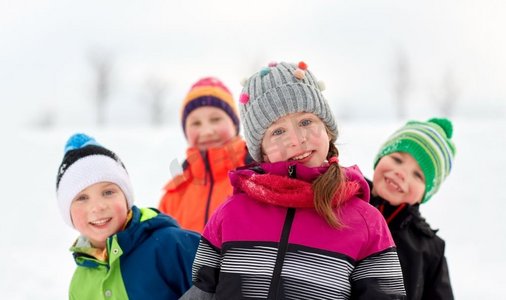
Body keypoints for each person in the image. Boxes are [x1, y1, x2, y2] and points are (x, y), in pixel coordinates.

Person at [182, 61, 407, 299]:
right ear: (262, 151)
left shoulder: (367, 222)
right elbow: (202, 292)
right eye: (278, 131)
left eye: (306, 122)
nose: (297, 140)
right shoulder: (230, 214)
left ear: (328, 130)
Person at [56, 133, 200, 299]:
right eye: (82, 198)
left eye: (108, 192)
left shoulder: (172, 246)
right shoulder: (79, 284)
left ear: (126, 198)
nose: (98, 207)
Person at [368, 118, 456, 300]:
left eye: (418, 174)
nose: (401, 173)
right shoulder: (340, 200)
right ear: (380, 157)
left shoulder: (430, 250)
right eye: (397, 159)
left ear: (425, 193)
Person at [158, 77, 251, 233]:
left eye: (215, 119)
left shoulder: (258, 176)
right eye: (196, 123)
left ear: (234, 124)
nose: (207, 131)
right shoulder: (173, 195)